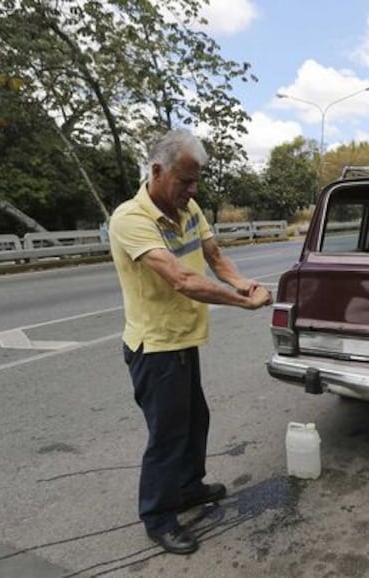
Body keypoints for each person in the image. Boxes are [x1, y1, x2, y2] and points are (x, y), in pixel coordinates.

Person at [109, 129, 272, 555]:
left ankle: (187, 487)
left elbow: (215, 258)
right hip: (154, 346)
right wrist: (242, 301)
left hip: (183, 341)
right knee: (166, 436)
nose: (193, 189)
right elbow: (181, 279)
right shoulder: (131, 218)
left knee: (195, 420)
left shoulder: (190, 208)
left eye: (197, 180)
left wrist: (244, 282)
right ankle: (159, 517)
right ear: (158, 171)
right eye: (185, 180)